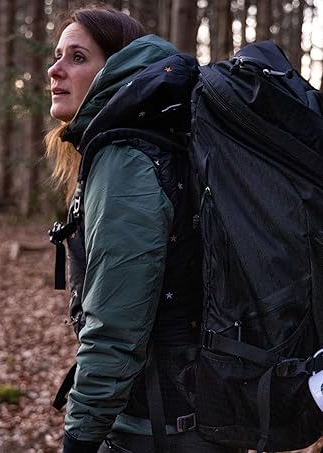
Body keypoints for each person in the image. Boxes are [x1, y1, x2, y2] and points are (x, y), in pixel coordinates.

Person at [46, 4, 241, 453]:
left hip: (157, 430)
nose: (55, 70)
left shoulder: (126, 160)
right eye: (57, 55)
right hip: (198, 418)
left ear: (116, 68)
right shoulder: (162, 142)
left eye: (77, 57)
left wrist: (80, 437)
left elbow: (116, 326)